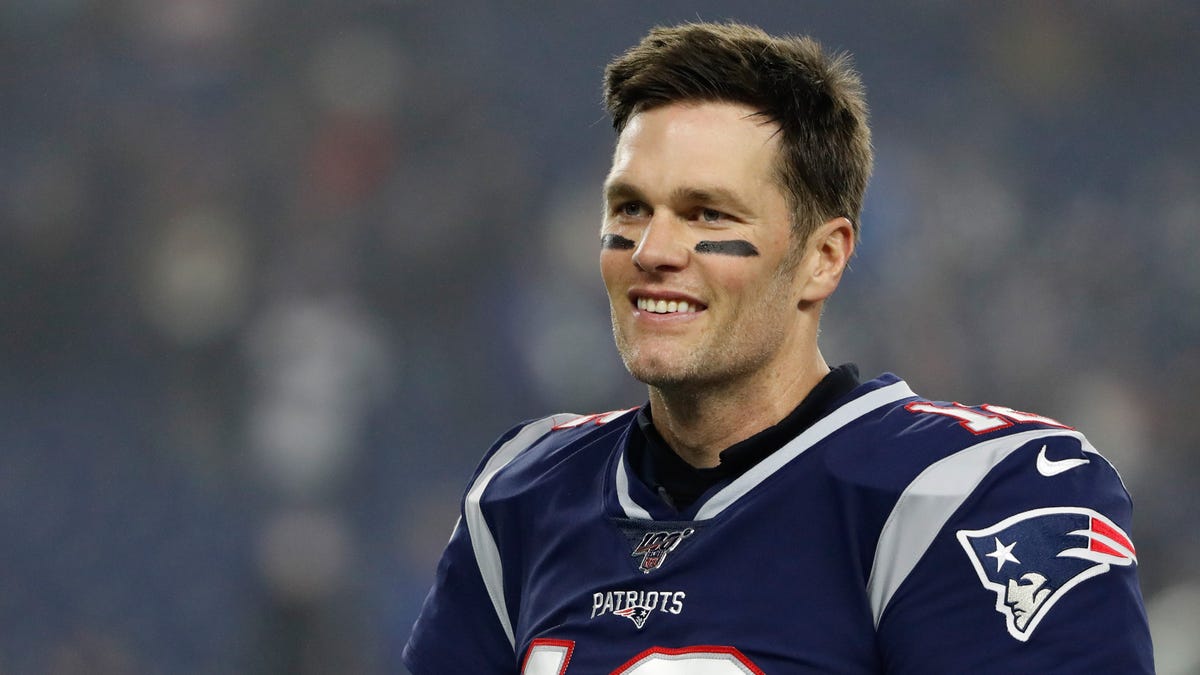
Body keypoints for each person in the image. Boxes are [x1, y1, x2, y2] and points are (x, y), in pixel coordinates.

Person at [402, 21, 1154, 674]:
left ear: (822, 258)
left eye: (707, 213)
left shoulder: (977, 492)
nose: (653, 249)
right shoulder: (523, 492)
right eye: (630, 207)